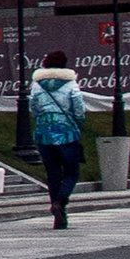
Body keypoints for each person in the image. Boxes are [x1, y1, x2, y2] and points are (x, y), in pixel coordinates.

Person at [27, 49, 89, 225]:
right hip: (66, 132)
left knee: (53, 174)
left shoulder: (37, 84)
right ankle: (61, 202)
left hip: (43, 133)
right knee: (71, 172)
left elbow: (33, 107)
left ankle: (57, 214)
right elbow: (78, 106)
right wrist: (79, 123)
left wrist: (41, 120)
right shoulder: (70, 83)